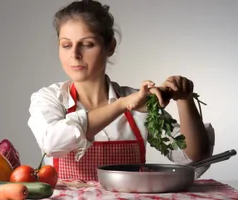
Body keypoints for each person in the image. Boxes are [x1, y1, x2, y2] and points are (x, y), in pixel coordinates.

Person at [28, 0, 215, 181]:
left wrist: (184, 99)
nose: (75, 54)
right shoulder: (49, 99)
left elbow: (192, 157)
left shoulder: (139, 102)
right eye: (66, 45)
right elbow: (52, 143)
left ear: (110, 46)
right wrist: (122, 105)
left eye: (87, 44)